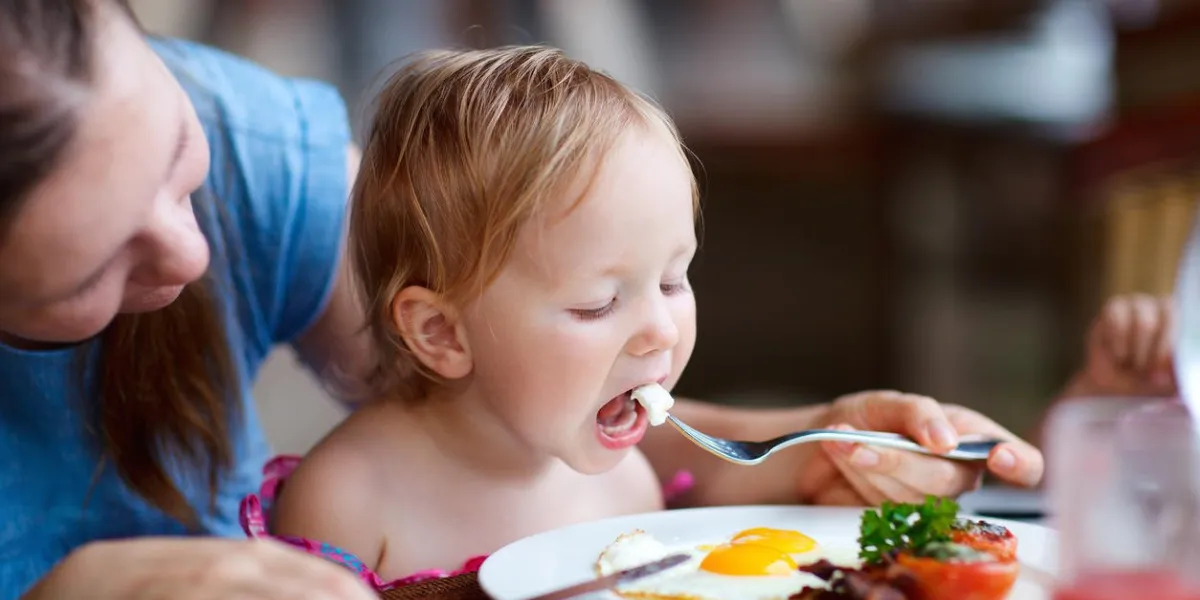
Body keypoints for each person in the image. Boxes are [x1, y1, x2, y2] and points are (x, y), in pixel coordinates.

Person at [0, 1, 1043, 598]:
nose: (191, 253)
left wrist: (810, 442)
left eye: (186, 160)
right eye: (90, 270)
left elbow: (534, 419)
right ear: (438, 329)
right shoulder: (348, 506)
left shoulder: (260, 150)